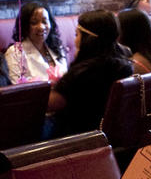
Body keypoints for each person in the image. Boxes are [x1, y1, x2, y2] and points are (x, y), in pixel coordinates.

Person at [47, 10, 134, 138]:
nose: (75, 40)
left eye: (77, 35)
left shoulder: (83, 72)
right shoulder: (125, 64)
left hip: (79, 136)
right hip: (114, 134)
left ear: (88, 39)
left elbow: (52, 104)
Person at [3, 1, 68, 84]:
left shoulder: (57, 47)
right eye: (34, 23)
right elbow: (16, 90)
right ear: (25, 26)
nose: (41, 27)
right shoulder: (15, 53)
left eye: (44, 22)